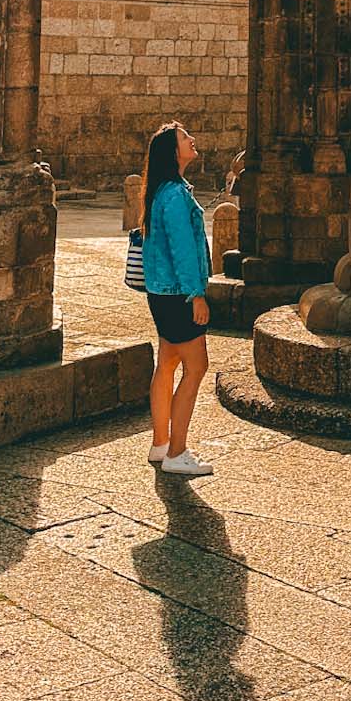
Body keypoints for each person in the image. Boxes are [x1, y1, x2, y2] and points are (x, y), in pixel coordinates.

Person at [140, 119, 213, 477]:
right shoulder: (173, 195)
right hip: (178, 295)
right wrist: (197, 294)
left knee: (167, 362)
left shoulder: (163, 191)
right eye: (186, 138)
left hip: (162, 293)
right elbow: (182, 250)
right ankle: (177, 452)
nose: (193, 140)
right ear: (173, 151)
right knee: (197, 367)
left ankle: (160, 443)